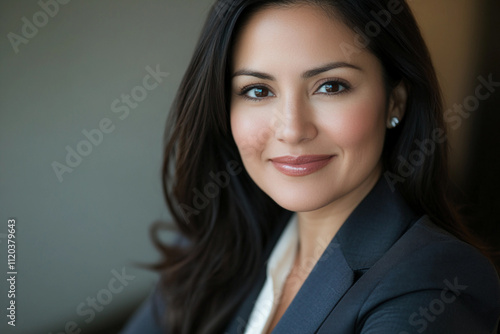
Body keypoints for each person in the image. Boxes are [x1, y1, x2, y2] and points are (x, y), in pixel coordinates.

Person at [121, 0, 500, 333]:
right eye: (258, 91)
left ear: (395, 101)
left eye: (331, 86)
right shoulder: (216, 240)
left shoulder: (430, 282)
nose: (292, 129)